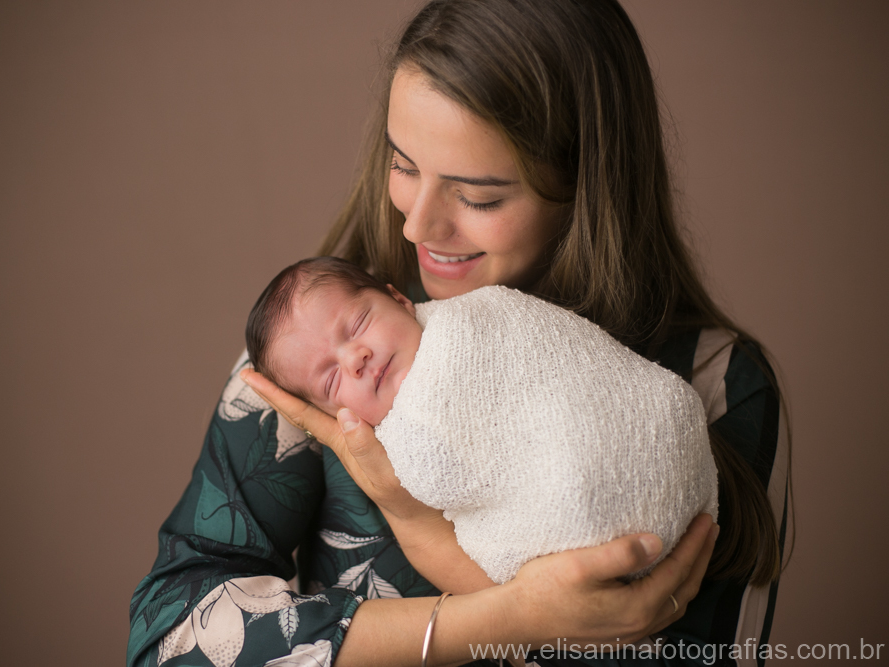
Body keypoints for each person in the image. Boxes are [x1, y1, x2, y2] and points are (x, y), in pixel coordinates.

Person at [127, 0, 790, 665]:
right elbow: (170, 639)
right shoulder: (317, 351)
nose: (416, 226)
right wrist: (505, 614)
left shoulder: (716, 385)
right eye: (403, 165)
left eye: (478, 196)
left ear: (587, 185)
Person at [244, 255, 718, 587]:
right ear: (331, 414)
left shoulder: (482, 315)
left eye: (358, 324)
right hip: (579, 517)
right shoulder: (390, 444)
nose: (356, 359)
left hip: (647, 430)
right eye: (331, 380)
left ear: (399, 300)